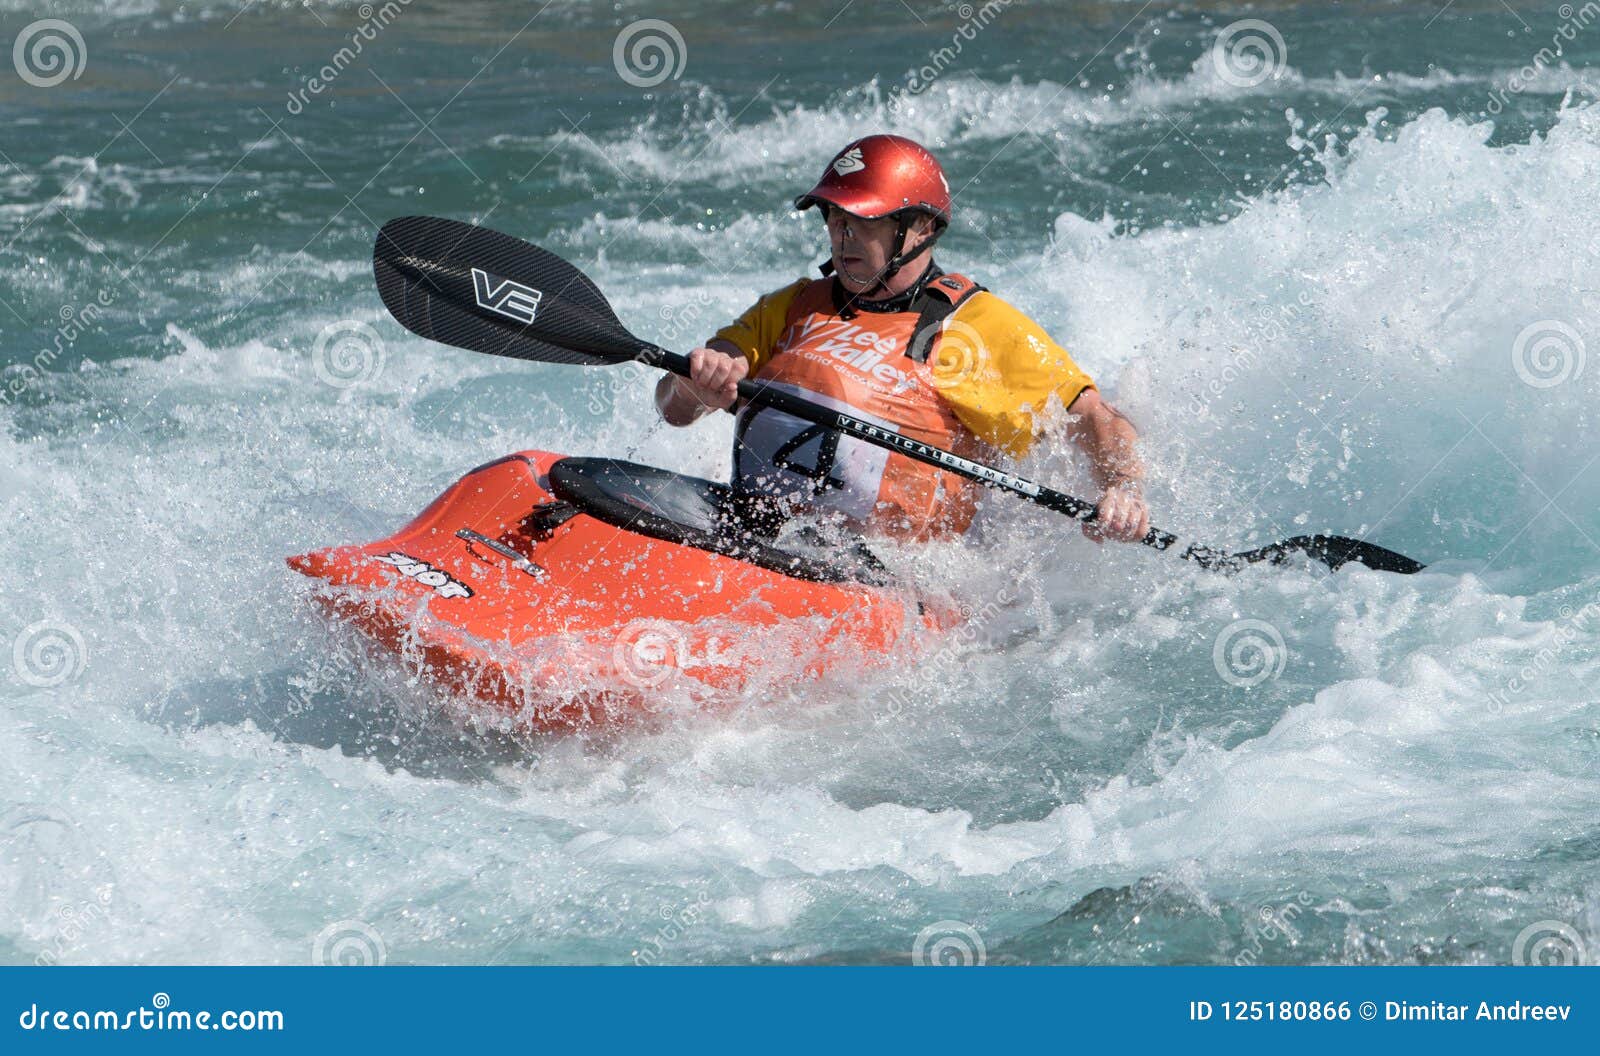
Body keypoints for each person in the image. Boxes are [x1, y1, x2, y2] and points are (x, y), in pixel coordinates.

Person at [655, 133, 1148, 545]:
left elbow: (1095, 421)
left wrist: (1122, 490)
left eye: (864, 220)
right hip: (758, 531)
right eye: (833, 217)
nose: (842, 235)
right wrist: (695, 385)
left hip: (892, 574)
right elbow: (673, 408)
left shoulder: (975, 328)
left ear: (920, 228)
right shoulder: (791, 306)